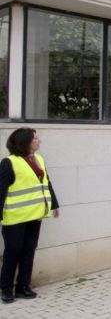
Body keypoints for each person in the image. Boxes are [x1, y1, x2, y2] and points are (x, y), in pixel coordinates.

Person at [0, 128, 61, 304]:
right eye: (35, 138)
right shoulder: (9, 163)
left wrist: (54, 204)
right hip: (15, 218)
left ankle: (23, 287)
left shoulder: (39, 159)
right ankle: (6, 288)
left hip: (35, 215)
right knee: (13, 253)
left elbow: (46, 183)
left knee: (28, 252)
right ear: (25, 141)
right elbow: (0, 191)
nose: (39, 141)